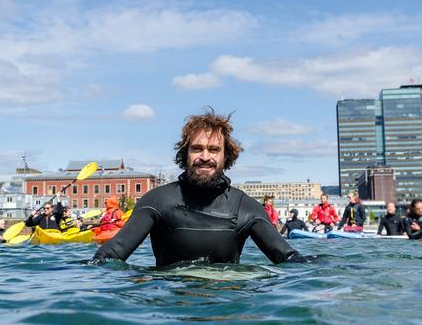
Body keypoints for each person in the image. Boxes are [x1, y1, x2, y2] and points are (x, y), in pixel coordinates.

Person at [92, 109, 309, 266]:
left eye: (214, 150)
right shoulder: (157, 202)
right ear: (185, 155)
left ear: (226, 156)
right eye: (197, 149)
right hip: (171, 312)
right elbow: (108, 258)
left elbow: (290, 259)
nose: (205, 157)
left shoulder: (246, 208)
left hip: (227, 308)